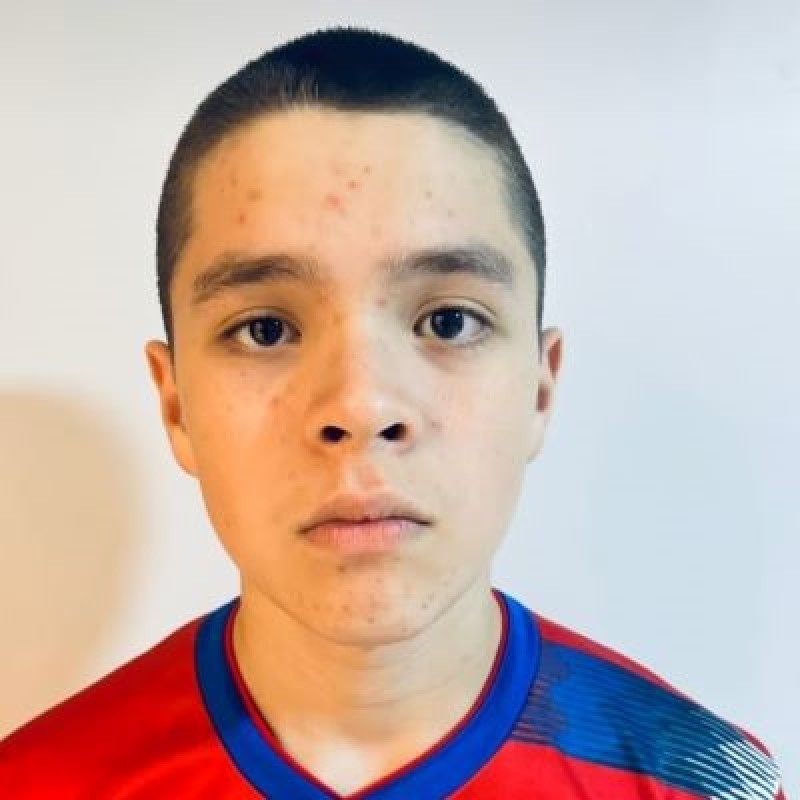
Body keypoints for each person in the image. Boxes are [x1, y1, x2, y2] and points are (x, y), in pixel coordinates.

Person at [0, 26, 786, 799]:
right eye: (266, 329)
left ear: (540, 390)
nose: (361, 406)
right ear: (176, 405)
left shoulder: (705, 784)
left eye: (448, 321)